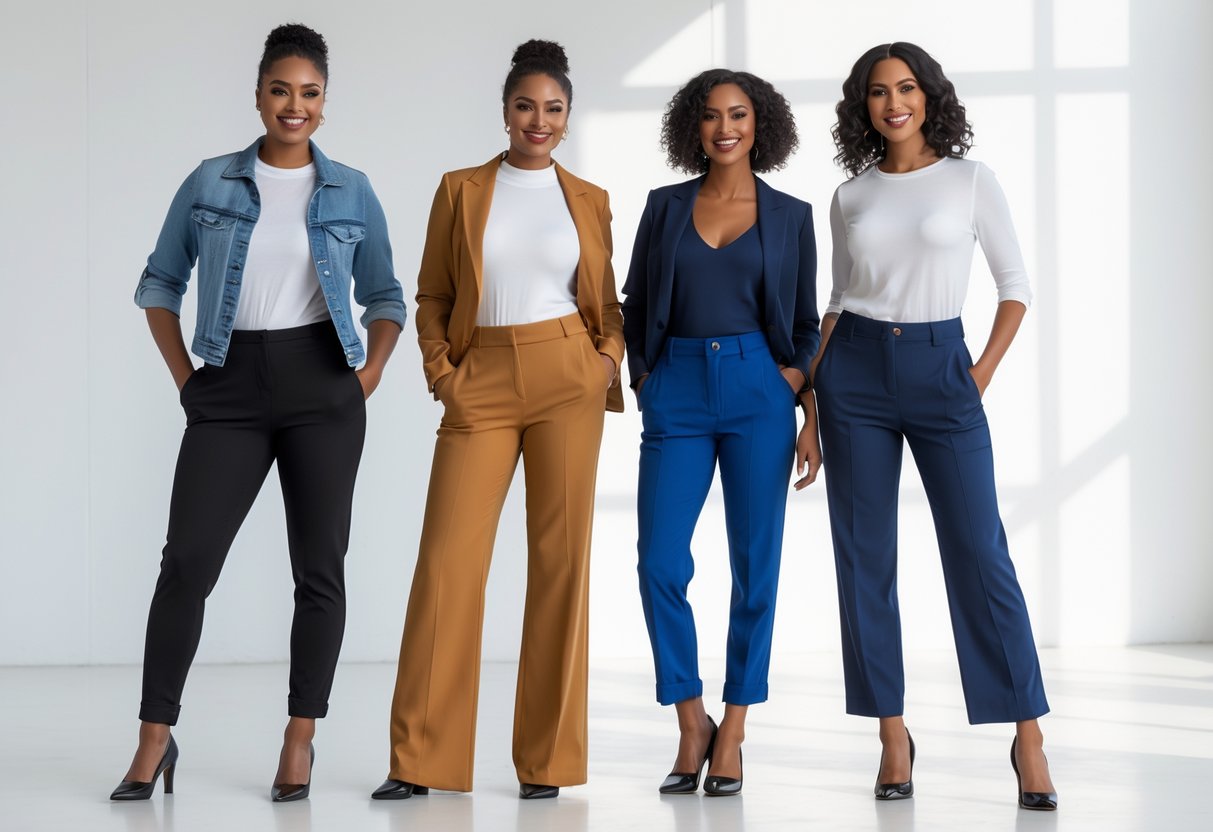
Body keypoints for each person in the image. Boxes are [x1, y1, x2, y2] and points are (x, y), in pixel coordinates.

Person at [110, 23, 405, 803]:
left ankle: (299, 737)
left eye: (309, 92)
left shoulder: (351, 189)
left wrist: (368, 375)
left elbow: (385, 295)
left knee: (319, 571)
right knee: (187, 564)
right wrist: (187, 380)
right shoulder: (211, 181)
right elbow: (159, 283)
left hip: (323, 387)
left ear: (324, 102)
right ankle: (153, 738)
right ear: (258, 96)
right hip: (229, 387)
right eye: (281, 89)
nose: (294, 105)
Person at [371, 39, 623, 802]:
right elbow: (432, 295)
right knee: (448, 566)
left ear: (568, 117)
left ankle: (546, 764)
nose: (538, 120)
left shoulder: (589, 198)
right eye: (525, 106)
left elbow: (606, 302)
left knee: (560, 564)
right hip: (479, 377)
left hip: (567, 376)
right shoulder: (460, 189)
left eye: (553, 109)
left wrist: (604, 360)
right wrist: (443, 375)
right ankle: (419, 760)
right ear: (505, 111)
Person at [815, 41, 1056, 810]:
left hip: (941, 367)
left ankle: (1026, 735)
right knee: (863, 557)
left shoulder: (968, 180)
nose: (893, 103)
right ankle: (891, 735)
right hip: (852, 372)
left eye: (906, 88)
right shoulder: (850, 195)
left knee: (979, 552)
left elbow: (1015, 286)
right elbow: (836, 299)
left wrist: (977, 373)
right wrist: (811, 404)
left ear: (928, 97)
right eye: (878, 92)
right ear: (862, 106)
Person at [621, 69, 820, 797]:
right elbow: (636, 300)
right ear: (693, 127)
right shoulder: (664, 206)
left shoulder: (791, 215)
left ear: (759, 124)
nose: (724, 128)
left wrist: (792, 386)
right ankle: (690, 719)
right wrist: (645, 378)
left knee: (754, 565)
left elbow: (805, 321)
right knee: (658, 562)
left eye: (737, 114)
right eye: (710, 116)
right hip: (674, 387)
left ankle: (733, 727)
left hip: (756, 389)